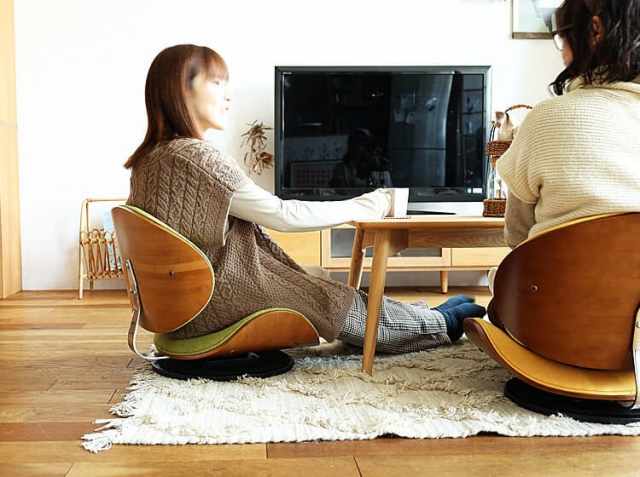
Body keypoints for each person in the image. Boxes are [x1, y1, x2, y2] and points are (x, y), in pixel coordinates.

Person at [124, 45, 486, 354]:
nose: (228, 96)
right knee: (326, 297)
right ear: (181, 89)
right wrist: (371, 204)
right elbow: (284, 215)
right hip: (213, 304)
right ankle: (440, 323)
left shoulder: (148, 160)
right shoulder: (198, 158)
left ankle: (424, 315)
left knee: (318, 282)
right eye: (217, 83)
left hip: (178, 311)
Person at [497, 0, 640, 250]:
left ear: (595, 30)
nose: (562, 53)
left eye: (562, 38)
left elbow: (517, 236)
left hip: (552, 275)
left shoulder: (544, 119)